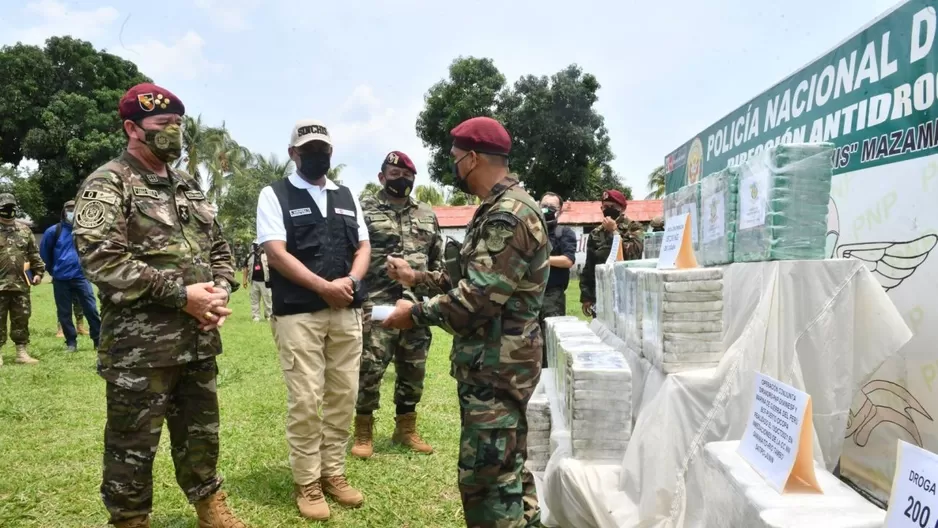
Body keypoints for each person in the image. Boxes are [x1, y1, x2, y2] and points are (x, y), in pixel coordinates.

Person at [71, 82, 246, 528]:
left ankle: (210, 505)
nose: (174, 133)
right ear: (133, 128)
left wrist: (221, 287)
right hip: (139, 349)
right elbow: (102, 258)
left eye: (178, 125)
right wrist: (180, 295)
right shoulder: (108, 182)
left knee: (201, 433)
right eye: (163, 125)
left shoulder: (187, 186)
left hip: (199, 337)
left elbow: (220, 247)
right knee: (132, 442)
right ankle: (130, 519)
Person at [382, 116, 548, 527]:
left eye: (456, 158)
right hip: (494, 363)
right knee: (508, 466)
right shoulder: (496, 209)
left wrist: (413, 315)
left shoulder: (507, 216)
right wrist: (415, 278)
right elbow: (470, 278)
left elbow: (476, 299)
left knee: (487, 480)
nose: (453, 165)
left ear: (472, 158)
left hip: (497, 366)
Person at [256, 119, 371, 521]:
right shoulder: (275, 194)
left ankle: (333, 473)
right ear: (294, 154)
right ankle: (307, 480)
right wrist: (324, 287)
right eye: (309, 149)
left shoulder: (346, 195)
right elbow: (276, 252)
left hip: (345, 311)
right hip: (299, 313)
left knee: (343, 395)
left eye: (324, 148)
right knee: (306, 399)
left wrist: (352, 281)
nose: (318, 154)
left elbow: (363, 247)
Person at [350, 150, 440, 459]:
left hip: (416, 306)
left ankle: (406, 429)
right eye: (394, 174)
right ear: (381, 177)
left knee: (413, 369)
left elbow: (438, 263)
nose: (400, 180)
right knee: (369, 368)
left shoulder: (427, 214)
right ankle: (363, 432)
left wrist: (421, 287)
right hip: (376, 305)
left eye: (407, 177)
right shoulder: (362, 210)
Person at [40, 199, 102, 352]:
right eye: (69, 209)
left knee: (91, 309)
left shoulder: (86, 232)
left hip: (81, 277)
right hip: (61, 279)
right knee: (64, 313)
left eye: (75, 209)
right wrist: (54, 270)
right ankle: (71, 343)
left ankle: (98, 341)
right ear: (63, 212)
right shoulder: (53, 231)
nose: (72, 212)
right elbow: (44, 254)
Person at [579, 189, 644, 318]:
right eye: (605, 207)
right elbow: (589, 266)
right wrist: (586, 296)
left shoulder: (634, 227)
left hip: (626, 292)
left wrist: (614, 232)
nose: (608, 210)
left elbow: (633, 254)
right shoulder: (596, 233)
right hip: (602, 293)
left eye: (612, 207)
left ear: (622, 208)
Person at [0, 192, 44, 367]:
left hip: (21, 285)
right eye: (5, 207)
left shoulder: (25, 231)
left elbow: (34, 254)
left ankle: (21, 352)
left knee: (22, 319)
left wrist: (39, 272)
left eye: (11, 207)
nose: (9, 210)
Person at [538, 192, 576, 367]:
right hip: (529, 294)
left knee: (551, 340)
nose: (546, 210)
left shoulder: (564, 233)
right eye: (543, 205)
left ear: (559, 211)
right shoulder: (530, 231)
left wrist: (542, 261)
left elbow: (568, 260)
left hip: (552, 296)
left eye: (551, 208)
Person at [241, 242, 272, 322]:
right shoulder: (250, 256)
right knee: (254, 300)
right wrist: (244, 281)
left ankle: (269, 316)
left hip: (265, 281)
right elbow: (245, 269)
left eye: (255, 245)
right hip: (254, 281)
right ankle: (256, 316)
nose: (254, 247)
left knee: (267, 299)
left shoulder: (267, 254)